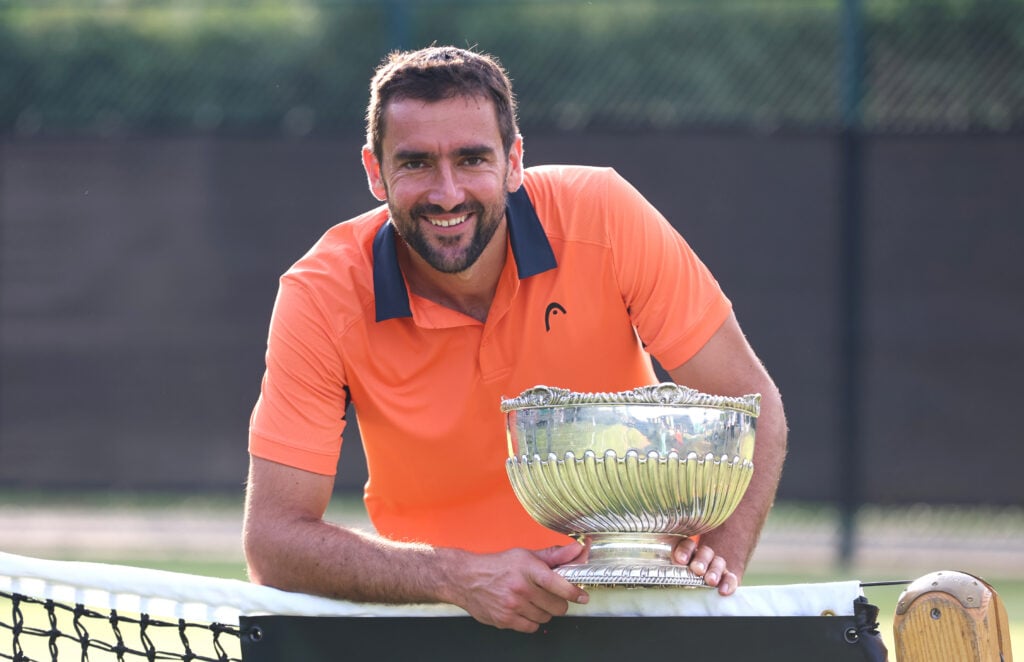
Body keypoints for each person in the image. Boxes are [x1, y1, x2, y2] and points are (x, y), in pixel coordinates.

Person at [243, 45, 787, 634]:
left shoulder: (604, 215)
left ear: (513, 161)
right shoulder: (319, 293)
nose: (446, 193)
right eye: (417, 163)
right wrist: (456, 579)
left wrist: (716, 569)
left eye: (472, 158)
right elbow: (273, 542)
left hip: (627, 615)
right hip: (437, 622)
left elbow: (753, 407)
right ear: (376, 172)